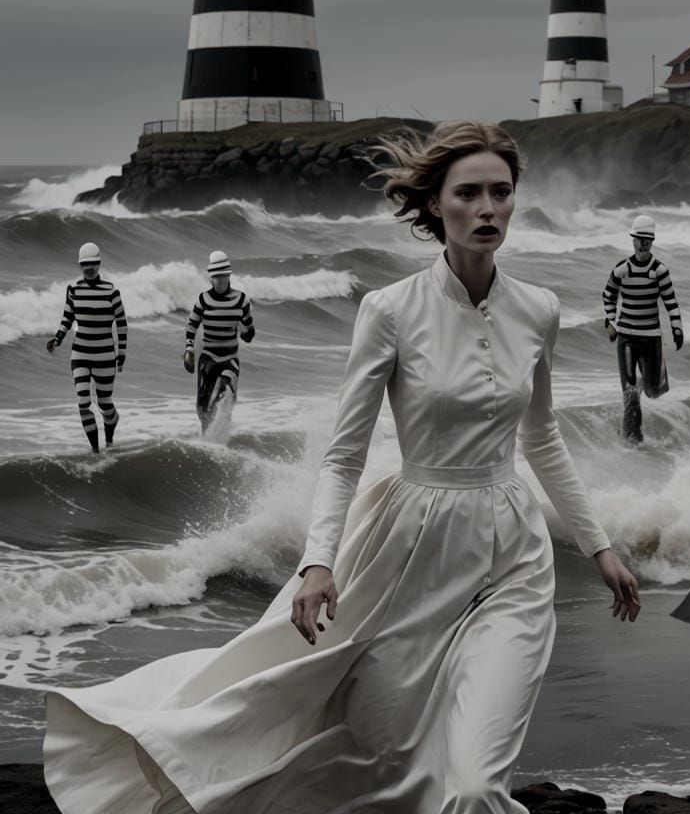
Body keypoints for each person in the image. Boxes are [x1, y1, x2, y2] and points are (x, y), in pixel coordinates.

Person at [45, 121, 641, 814]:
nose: (487, 208)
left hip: (515, 559)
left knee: (477, 782)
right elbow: (346, 453)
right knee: (383, 762)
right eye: (468, 193)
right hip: (411, 555)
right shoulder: (390, 310)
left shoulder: (539, 309)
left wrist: (599, 547)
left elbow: (541, 437)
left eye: (500, 193)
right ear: (435, 204)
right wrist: (318, 563)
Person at [602, 214, 684, 442]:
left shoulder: (659, 271)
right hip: (627, 337)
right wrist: (611, 321)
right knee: (629, 393)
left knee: (653, 391)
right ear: (633, 240)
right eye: (640, 239)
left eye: (648, 239)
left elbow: (670, 301)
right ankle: (632, 440)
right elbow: (608, 296)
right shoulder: (622, 269)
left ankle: (647, 383)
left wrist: (677, 328)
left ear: (652, 241)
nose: (644, 243)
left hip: (651, 337)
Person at [45, 242, 127, 453]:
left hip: (105, 355)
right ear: (80, 265)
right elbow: (67, 318)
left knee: (105, 404)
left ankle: (109, 440)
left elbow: (121, 323)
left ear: (99, 264)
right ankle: (96, 453)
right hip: (80, 354)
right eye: (84, 264)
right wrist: (58, 339)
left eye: (92, 263)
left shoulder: (112, 292)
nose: (88, 268)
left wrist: (121, 354)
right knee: (83, 403)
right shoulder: (73, 290)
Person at [183, 250, 255, 433]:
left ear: (229, 277)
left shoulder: (242, 300)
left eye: (224, 277)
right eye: (217, 278)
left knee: (222, 393)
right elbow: (191, 326)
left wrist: (245, 331)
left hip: (230, 359)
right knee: (202, 407)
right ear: (211, 279)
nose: (221, 281)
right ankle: (207, 438)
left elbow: (249, 334)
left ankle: (222, 432)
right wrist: (189, 350)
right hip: (208, 359)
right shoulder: (203, 299)